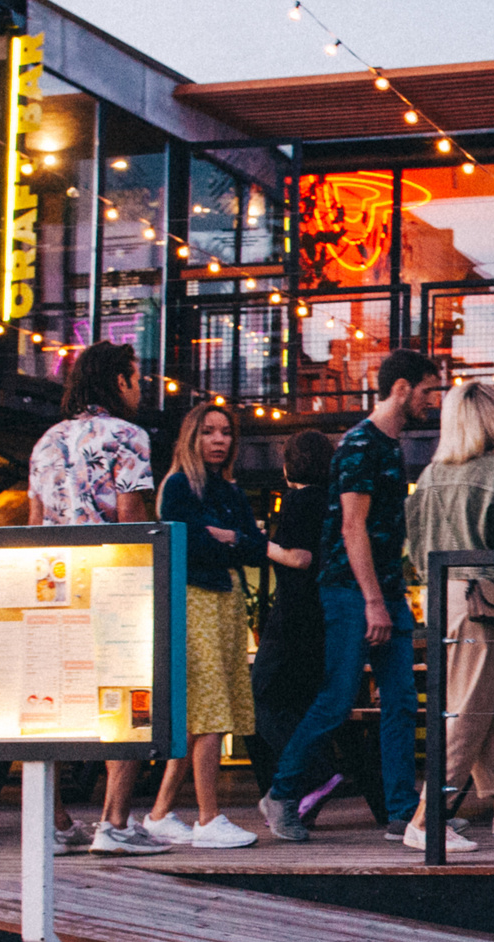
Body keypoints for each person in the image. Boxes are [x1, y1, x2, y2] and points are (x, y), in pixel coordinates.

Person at [260, 348, 445, 845]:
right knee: (339, 700)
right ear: (402, 388)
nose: (436, 400)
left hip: (383, 591)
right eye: (430, 390)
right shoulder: (360, 446)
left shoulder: (389, 445)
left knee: (403, 702)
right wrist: (372, 602)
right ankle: (281, 793)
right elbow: (351, 526)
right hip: (351, 593)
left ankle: (404, 814)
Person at [141, 402, 302, 849]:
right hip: (195, 600)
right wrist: (231, 540)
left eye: (226, 432)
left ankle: (158, 814)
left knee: (205, 713)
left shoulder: (227, 489)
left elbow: (250, 547)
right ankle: (208, 818)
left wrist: (228, 537)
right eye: (209, 432)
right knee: (209, 711)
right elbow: (189, 543)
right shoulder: (178, 485)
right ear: (191, 438)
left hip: (225, 600)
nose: (219, 440)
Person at [404, 377, 494, 849]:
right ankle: (425, 820)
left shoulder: (429, 474)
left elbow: (413, 548)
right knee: (469, 709)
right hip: (476, 600)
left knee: (487, 700)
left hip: (439, 596)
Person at [27, 341, 162, 855]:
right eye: (135, 376)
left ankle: (56, 823)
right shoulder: (127, 436)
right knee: (126, 702)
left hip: (54, 588)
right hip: (111, 587)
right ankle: (114, 823)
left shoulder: (46, 441)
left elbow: (33, 525)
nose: (140, 385)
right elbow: (131, 517)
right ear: (117, 381)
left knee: (52, 705)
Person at [248, 429, 341, 814]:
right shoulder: (333, 502)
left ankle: (315, 772)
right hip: (323, 617)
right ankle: (301, 802)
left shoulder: (299, 500)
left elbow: (298, 557)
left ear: (290, 464)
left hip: (292, 615)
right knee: (301, 703)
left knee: (262, 698)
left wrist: (256, 543)